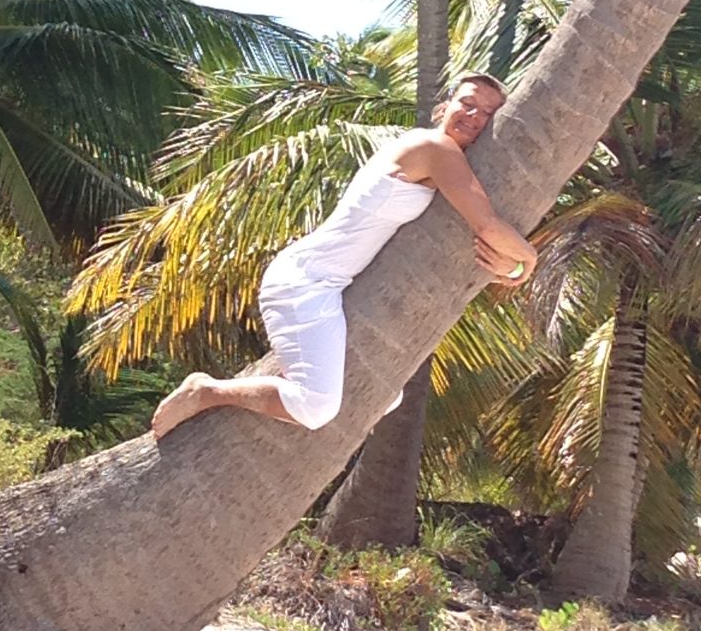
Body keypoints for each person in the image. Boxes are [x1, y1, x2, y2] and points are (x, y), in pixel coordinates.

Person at [151, 72, 537, 439]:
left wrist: (513, 263)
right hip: (304, 281)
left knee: (386, 395)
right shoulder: (434, 147)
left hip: (331, 285)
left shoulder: (443, 157)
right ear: (445, 106)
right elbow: (486, 226)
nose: (475, 116)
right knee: (315, 409)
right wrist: (529, 260)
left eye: (488, 113)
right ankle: (207, 391)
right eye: (468, 103)